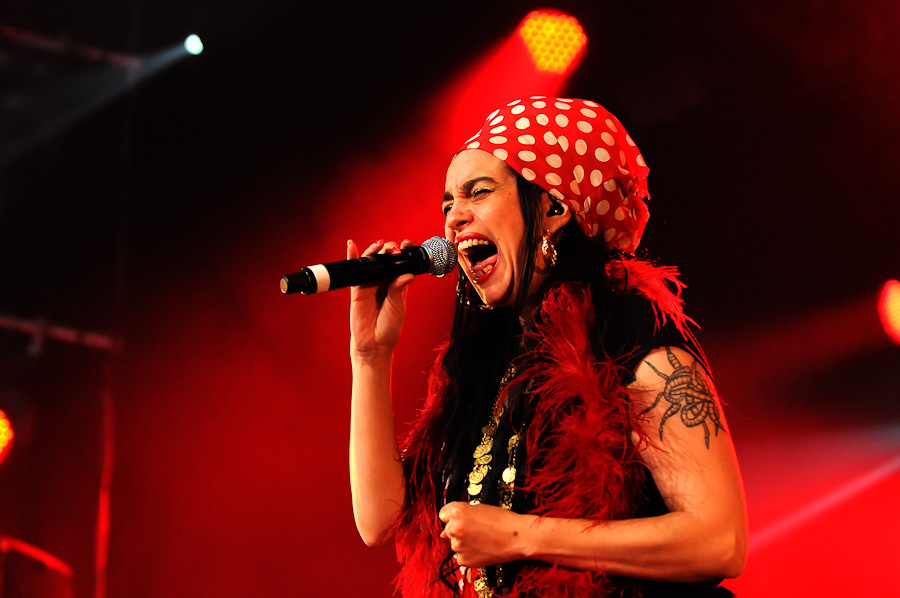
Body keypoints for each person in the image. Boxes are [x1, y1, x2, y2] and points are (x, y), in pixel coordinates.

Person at [347, 97, 747, 597]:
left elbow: (720, 540)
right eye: (448, 204)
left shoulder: (626, 330)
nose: (452, 220)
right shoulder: (482, 363)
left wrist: (519, 537)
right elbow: (381, 522)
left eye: (478, 192)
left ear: (554, 208)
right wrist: (370, 356)